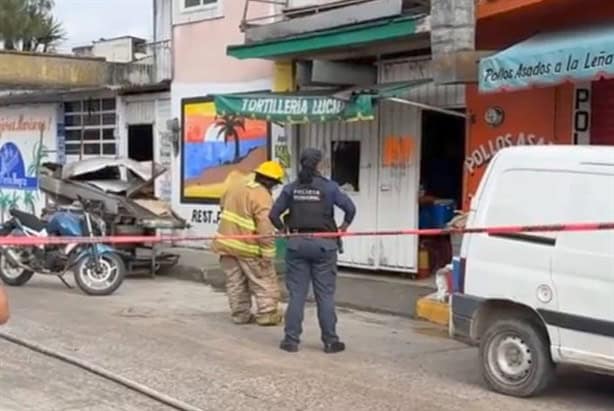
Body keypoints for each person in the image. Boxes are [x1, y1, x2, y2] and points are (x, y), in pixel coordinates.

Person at [269, 148, 356, 354]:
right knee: (324, 295)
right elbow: (350, 209)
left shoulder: (291, 188)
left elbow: (274, 214)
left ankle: (291, 341)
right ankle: (330, 341)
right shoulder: (329, 187)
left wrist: (284, 231)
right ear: (319, 165)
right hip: (324, 244)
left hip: (297, 243)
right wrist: (343, 228)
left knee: (297, 295)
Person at [211, 161, 285, 326]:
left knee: (235, 282)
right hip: (248, 248)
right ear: (270, 181)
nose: (273, 188)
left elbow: (222, 207)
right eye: (273, 185)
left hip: (225, 245)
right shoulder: (262, 195)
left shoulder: (236, 185)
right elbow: (265, 227)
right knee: (264, 280)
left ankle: (240, 315)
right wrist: (268, 253)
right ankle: (267, 314)